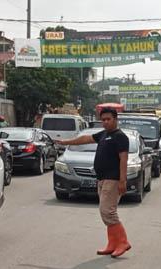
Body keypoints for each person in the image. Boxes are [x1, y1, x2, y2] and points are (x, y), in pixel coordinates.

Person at [55, 107, 131, 258]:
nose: (105, 122)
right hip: (102, 178)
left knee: (107, 211)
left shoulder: (120, 137)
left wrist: (123, 181)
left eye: (108, 119)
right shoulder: (104, 134)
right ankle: (112, 243)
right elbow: (85, 139)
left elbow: (124, 159)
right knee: (106, 212)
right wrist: (66, 142)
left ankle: (123, 242)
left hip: (113, 178)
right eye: (103, 120)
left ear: (116, 119)